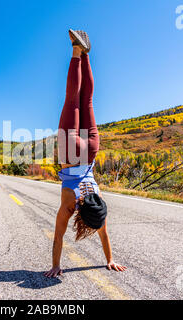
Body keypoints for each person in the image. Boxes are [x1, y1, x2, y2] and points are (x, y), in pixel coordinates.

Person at [44, 29, 127, 278]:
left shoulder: (99, 202)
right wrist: (56, 266)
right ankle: (75, 49)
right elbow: (58, 236)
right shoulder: (70, 202)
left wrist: (110, 258)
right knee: (72, 101)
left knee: (87, 100)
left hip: (91, 150)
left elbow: (105, 233)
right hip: (70, 152)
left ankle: (85, 53)